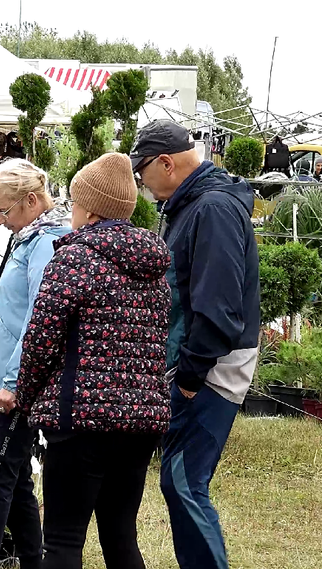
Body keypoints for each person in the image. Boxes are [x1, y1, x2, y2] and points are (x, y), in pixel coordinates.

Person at [15, 153, 172, 569]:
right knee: (121, 536)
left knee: (64, 540)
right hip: (141, 423)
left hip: (80, 421)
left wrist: (28, 400)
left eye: (74, 201)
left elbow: (40, 341)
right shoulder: (153, 268)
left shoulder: (74, 259)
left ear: (89, 208)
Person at [130, 120, 260, 569]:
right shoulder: (194, 204)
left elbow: (219, 306)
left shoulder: (213, 209)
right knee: (179, 481)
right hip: (201, 363)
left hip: (212, 368)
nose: (142, 185)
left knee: (185, 482)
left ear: (165, 163)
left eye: (141, 172)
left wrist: (189, 375)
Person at [0, 159, 69, 569]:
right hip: (10, 372)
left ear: (30, 200)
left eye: (3, 211)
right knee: (16, 475)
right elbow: (23, 300)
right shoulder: (29, 233)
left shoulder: (45, 241)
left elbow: (41, 318)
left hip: (20, 380)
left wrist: (14, 382)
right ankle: (32, 559)